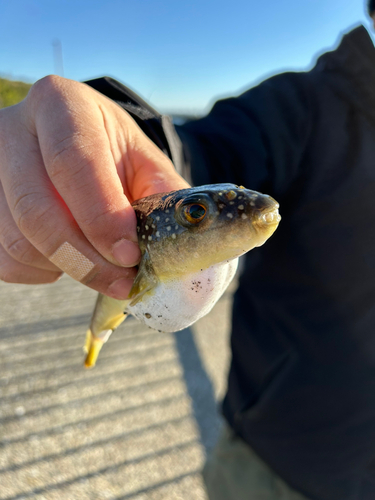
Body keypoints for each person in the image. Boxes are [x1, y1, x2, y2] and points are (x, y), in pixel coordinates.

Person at [1, 3, 375, 499]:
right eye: (199, 217)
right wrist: (104, 144)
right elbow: (195, 156)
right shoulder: (302, 110)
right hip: (284, 461)